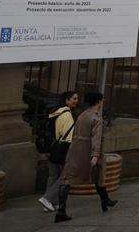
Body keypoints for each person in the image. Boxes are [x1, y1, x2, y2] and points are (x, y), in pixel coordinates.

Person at [55, 91, 117, 222]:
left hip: (76, 149)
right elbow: (96, 138)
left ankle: (62, 210)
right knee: (98, 174)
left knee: (68, 178)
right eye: (102, 100)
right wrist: (95, 155)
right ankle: (105, 201)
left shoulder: (82, 115)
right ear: (99, 102)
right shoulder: (96, 118)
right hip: (88, 149)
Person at [38, 90, 80, 213]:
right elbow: (68, 136)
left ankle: (49, 203)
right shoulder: (67, 115)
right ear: (66, 100)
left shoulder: (55, 113)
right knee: (65, 177)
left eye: (77, 98)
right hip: (63, 148)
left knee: (52, 176)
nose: (76, 101)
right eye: (74, 98)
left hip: (52, 147)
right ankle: (47, 198)